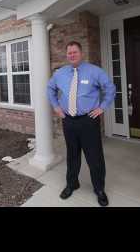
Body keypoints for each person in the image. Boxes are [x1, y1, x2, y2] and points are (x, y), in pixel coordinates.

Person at [47, 41, 116, 206]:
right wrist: (56, 107)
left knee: (94, 157)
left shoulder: (94, 71)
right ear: (67, 54)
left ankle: (99, 189)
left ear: (81, 53)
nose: (72, 55)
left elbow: (110, 88)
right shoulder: (60, 73)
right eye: (69, 53)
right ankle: (72, 184)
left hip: (88, 121)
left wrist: (102, 107)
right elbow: (50, 89)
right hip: (68, 121)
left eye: (75, 52)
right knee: (72, 155)